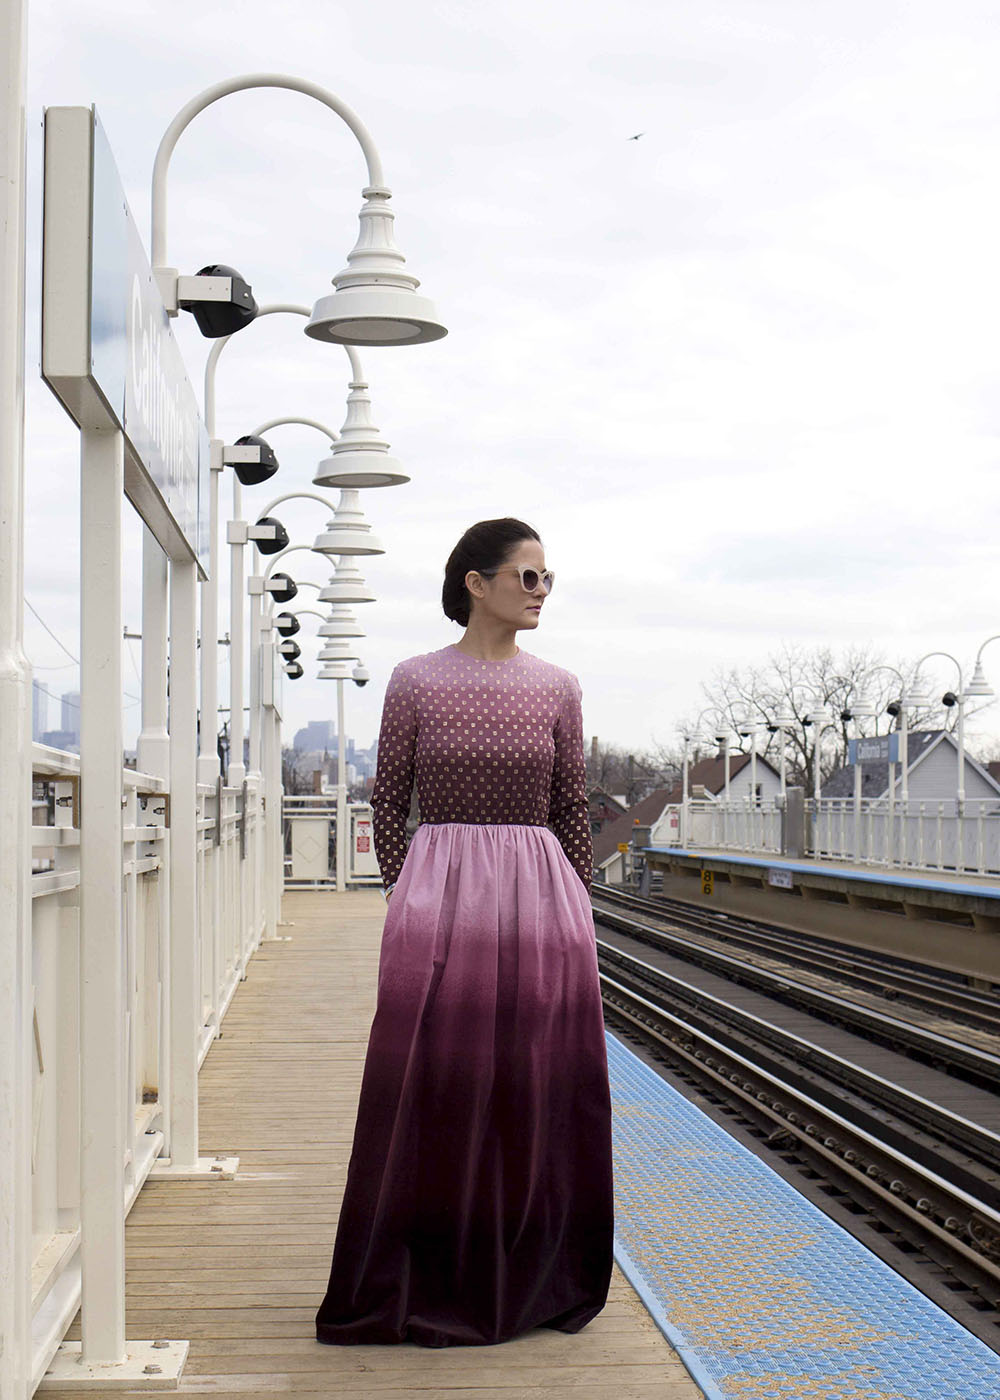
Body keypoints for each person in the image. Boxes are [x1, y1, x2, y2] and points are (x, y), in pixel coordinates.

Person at [315, 517, 614, 1348]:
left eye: (548, 578)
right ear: (475, 584)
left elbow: (568, 811)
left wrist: (576, 911)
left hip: (542, 897)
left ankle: (530, 1271)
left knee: (534, 1088)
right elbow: (388, 802)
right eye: (527, 576)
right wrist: (409, 894)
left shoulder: (559, 685)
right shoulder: (413, 680)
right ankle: (433, 1266)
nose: (541, 590)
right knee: (435, 1085)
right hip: (438, 894)